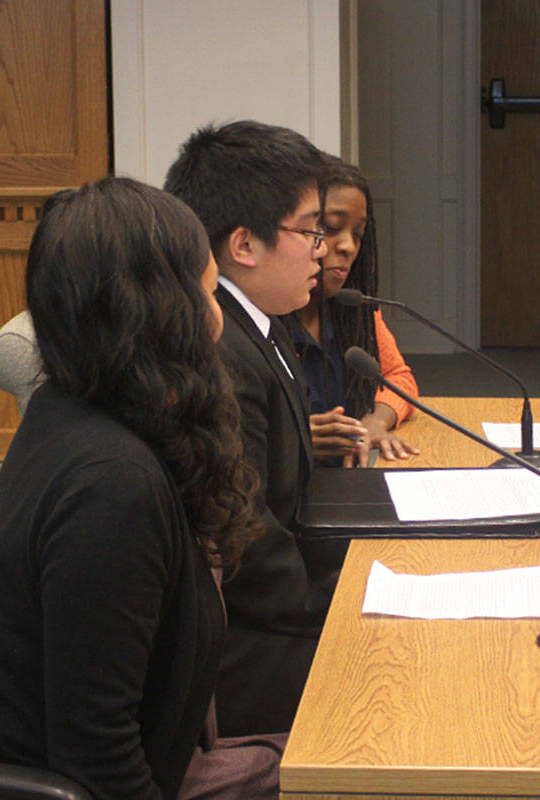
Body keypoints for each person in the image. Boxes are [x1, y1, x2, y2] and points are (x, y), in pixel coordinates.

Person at [0, 177, 283, 800]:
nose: (219, 317)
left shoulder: (79, 412)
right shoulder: (111, 487)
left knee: (357, 771)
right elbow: (96, 758)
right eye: (210, 292)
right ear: (169, 312)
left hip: (140, 780)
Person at [163, 121, 348, 737]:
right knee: (387, 669)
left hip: (270, 610)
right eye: (310, 230)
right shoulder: (224, 353)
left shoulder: (261, 327)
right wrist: (336, 605)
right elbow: (244, 532)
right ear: (244, 245)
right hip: (242, 649)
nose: (322, 249)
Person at [283, 156, 421, 467]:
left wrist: (376, 422)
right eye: (330, 228)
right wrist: (292, 439)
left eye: (358, 233)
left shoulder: (354, 312)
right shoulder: (264, 317)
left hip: (348, 477)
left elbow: (399, 378)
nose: (348, 246)